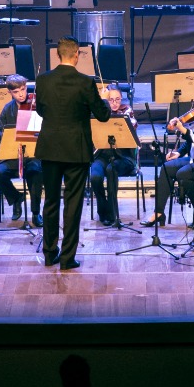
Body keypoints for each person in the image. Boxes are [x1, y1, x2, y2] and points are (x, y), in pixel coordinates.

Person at [34, 36, 113, 269]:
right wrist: (105, 99)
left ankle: (50, 254)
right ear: (76, 54)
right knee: (73, 204)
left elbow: (40, 110)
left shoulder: (43, 80)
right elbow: (103, 115)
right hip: (76, 150)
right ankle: (67, 258)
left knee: (50, 202)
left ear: (58, 55)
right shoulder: (85, 82)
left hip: (49, 148)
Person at [143, 80, 194, 230]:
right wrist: (179, 152)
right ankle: (158, 212)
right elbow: (191, 142)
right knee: (166, 168)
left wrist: (183, 129)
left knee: (183, 174)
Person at [0, 74, 43, 226]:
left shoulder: (35, 105)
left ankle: (35, 213)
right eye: (16, 92)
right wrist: (8, 135)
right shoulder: (8, 109)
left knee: (36, 172)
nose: (21, 94)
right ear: (10, 93)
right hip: (13, 156)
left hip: (32, 155)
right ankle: (16, 199)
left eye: (23, 89)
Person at [89, 82, 138, 229]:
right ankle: (103, 209)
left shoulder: (127, 112)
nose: (115, 103)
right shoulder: (99, 114)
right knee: (95, 177)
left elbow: (133, 125)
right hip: (102, 156)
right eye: (111, 100)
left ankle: (111, 213)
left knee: (112, 170)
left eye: (118, 99)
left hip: (124, 157)